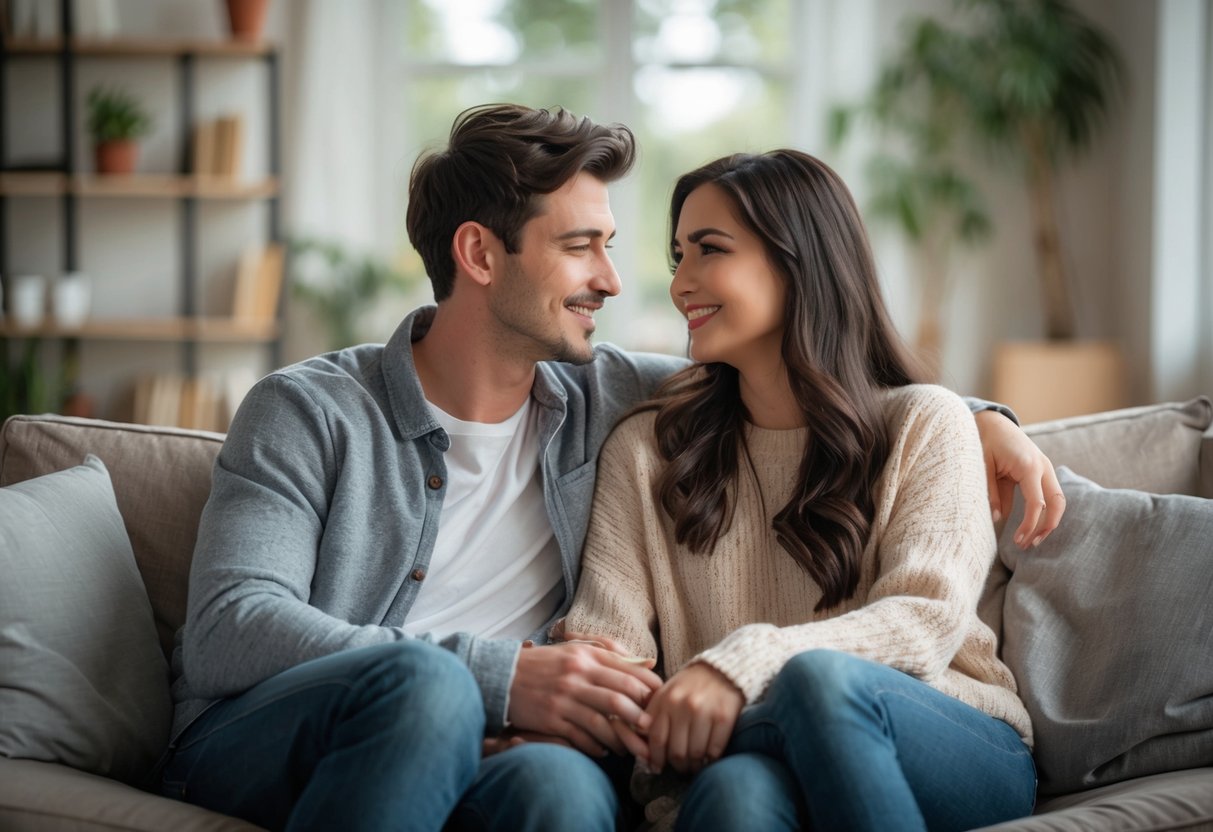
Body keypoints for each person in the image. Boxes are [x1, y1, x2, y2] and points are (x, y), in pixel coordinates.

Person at [159, 105, 1058, 831]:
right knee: (430, 688)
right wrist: (496, 679)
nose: (622, 283)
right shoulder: (308, 409)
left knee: (568, 793)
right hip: (298, 726)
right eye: (582, 245)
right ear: (478, 254)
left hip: (529, 740)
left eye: (622, 248)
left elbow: (814, 384)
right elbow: (232, 628)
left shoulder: (611, 398)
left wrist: (983, 419)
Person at [562, 149, 1040, 832]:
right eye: (677, 258)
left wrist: (742, 663)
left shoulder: (925, 423)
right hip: (750, 753)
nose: (680, 284)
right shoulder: (645, 452)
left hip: (950, 743)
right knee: (733, 796)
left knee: (815, 681)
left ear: (799, 260)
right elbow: (607, 645)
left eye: (709, 250)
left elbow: (925, 620)